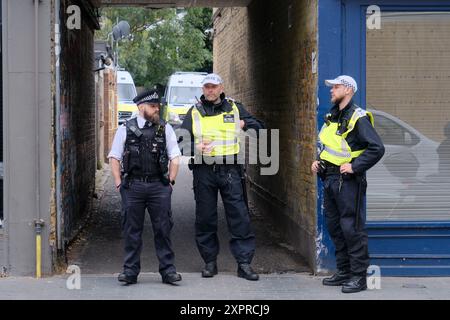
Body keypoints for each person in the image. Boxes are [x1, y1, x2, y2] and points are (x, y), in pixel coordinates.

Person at [180, 73, 265, 281]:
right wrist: (195, 146)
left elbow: (260, 127)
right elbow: (181, 143)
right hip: (204, 171)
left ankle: (244, 264)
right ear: (202, 89)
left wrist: (245, 125)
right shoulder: (194, 112)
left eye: (213, 87)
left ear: (221, 88)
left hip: (230, 171)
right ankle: (210, 262)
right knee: (205, 218)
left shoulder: (235, 108)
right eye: (206, 87)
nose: (210, 90)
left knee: (239, 217)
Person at [311, 75, 384, 293]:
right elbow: (331, 146)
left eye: (336, 86)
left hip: (349, 181)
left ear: (349, 90)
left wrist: (355, 166)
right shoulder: (332, 115)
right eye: (331, 86)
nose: (332, 90)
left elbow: (376, 148)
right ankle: (344, 271)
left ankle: (359, 278)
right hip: (331, 179)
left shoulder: (358, 117)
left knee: (352, 229)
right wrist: (319, 162)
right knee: (335, 227)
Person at [108, 89, 182, 285]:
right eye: (152, 106)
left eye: (158, 106)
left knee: (163, 229)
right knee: (132, 230)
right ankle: (130, 272)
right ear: (141, 107)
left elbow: (175, 156)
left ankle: (168, 271)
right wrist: (118, 182)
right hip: (133, 186)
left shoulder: (165, 128)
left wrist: (171, 182)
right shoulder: (125, 128)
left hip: (159, 185)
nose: (156, 109)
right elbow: (114, 157)